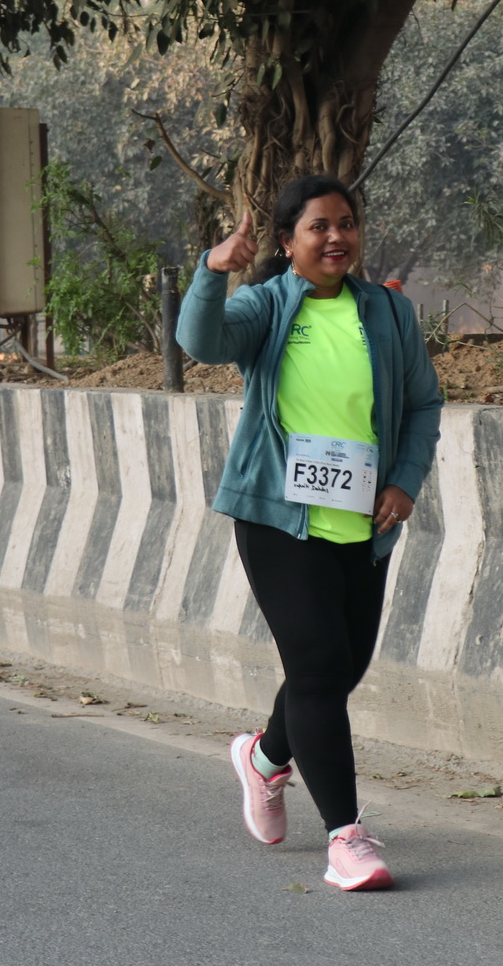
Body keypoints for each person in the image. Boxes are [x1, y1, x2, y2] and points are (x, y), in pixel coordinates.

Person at [176, 175, 442, 891]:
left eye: (346, 223)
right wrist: (213, 271)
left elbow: (423, 402)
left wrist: (405, 481)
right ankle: (346, 838)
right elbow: (201, 343)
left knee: (340, 668)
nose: (336, 237)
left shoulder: (388, 312)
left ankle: (265, 758)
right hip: (278, 518)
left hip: (364, 519)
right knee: (320, 667)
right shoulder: (266, 306)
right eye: (318, 226)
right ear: (288, 242)